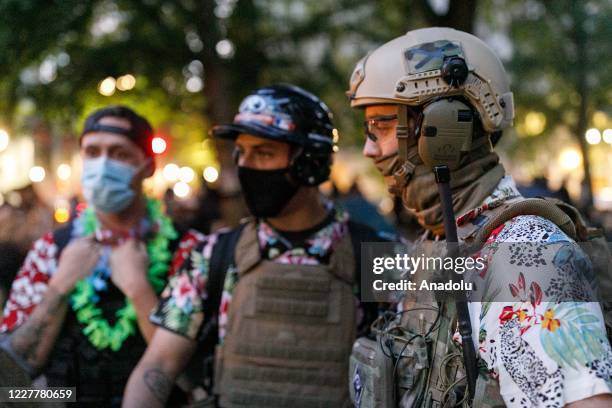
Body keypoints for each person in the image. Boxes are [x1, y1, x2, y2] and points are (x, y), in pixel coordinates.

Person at [347, 27, 612, 407]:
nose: (370, 150)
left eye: (382, 126)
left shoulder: (525, 253)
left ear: (444, 129)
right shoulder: (435, 240)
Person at [123, 84, 391, 407]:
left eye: (263, 153)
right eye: (242, 152)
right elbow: (159, 365)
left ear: (309, 163)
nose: (247, 167)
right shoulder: (212, 256)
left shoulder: (378, 255)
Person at [0, 106, 202, 406]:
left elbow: (194, 378)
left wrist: (139, 290)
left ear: (148, 166)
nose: (103, 164)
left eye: (119, 154)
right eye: (92, 152)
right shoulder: (51, 250)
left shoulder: (189, 251)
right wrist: (60, 285)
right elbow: (12, 380)